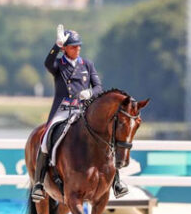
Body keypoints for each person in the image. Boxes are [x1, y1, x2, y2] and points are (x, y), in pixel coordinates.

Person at [31, 24, 129, 202]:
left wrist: (90, 93)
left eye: (78, 46)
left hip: (83, 110)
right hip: (64, 109)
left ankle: (116, 181)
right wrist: (56, 46)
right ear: (66, 49)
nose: (77, 49)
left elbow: (98, 86)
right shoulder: (59, 65)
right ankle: (38, 183)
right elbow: (48, 63)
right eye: (73, 46)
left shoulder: (87, 64)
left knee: (107, 138)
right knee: (46, 139)